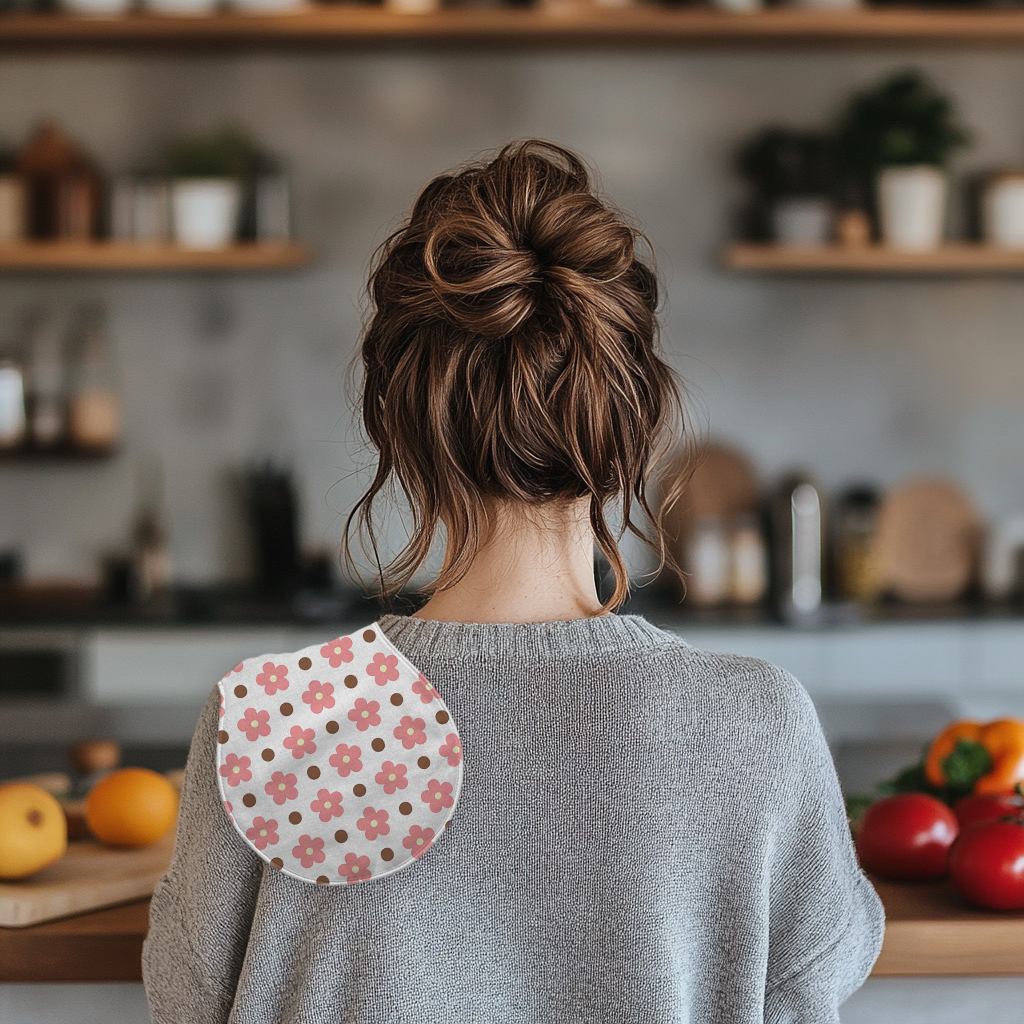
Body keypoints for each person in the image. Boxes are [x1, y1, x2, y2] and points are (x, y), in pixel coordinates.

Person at [142, 139, 884, 1024]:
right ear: (635, 419)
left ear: (396, 425)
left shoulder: (273, 718)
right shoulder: (756, 721)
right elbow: (811, 979)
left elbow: (188, 1000)